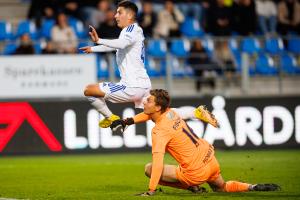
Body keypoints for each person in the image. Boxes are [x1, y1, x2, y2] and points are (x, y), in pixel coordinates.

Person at [111, 89, 280, 196]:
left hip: (195, 172)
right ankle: (252, 187)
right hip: (210, 159)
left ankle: (192, 187)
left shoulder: (159, 131)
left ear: (157, 108)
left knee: (148, 169)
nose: (144, 102)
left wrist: (151, 190)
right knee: (221, 187)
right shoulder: (172, 113)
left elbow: (157, 162)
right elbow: (148, 115)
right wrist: (127, 121)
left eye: (148, 101)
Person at [79, 1, 219, 129]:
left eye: (119, 12)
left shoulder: (131, 30)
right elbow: (118, 46)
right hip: (142, 84)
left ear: (129, 15)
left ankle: (110, 118)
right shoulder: (130, 32)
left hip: (132, 85)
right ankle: (195, 112)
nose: (115, 16)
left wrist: (99, 40)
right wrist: (93, 49)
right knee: (161, 114)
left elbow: (120, 44)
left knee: (89, 90)